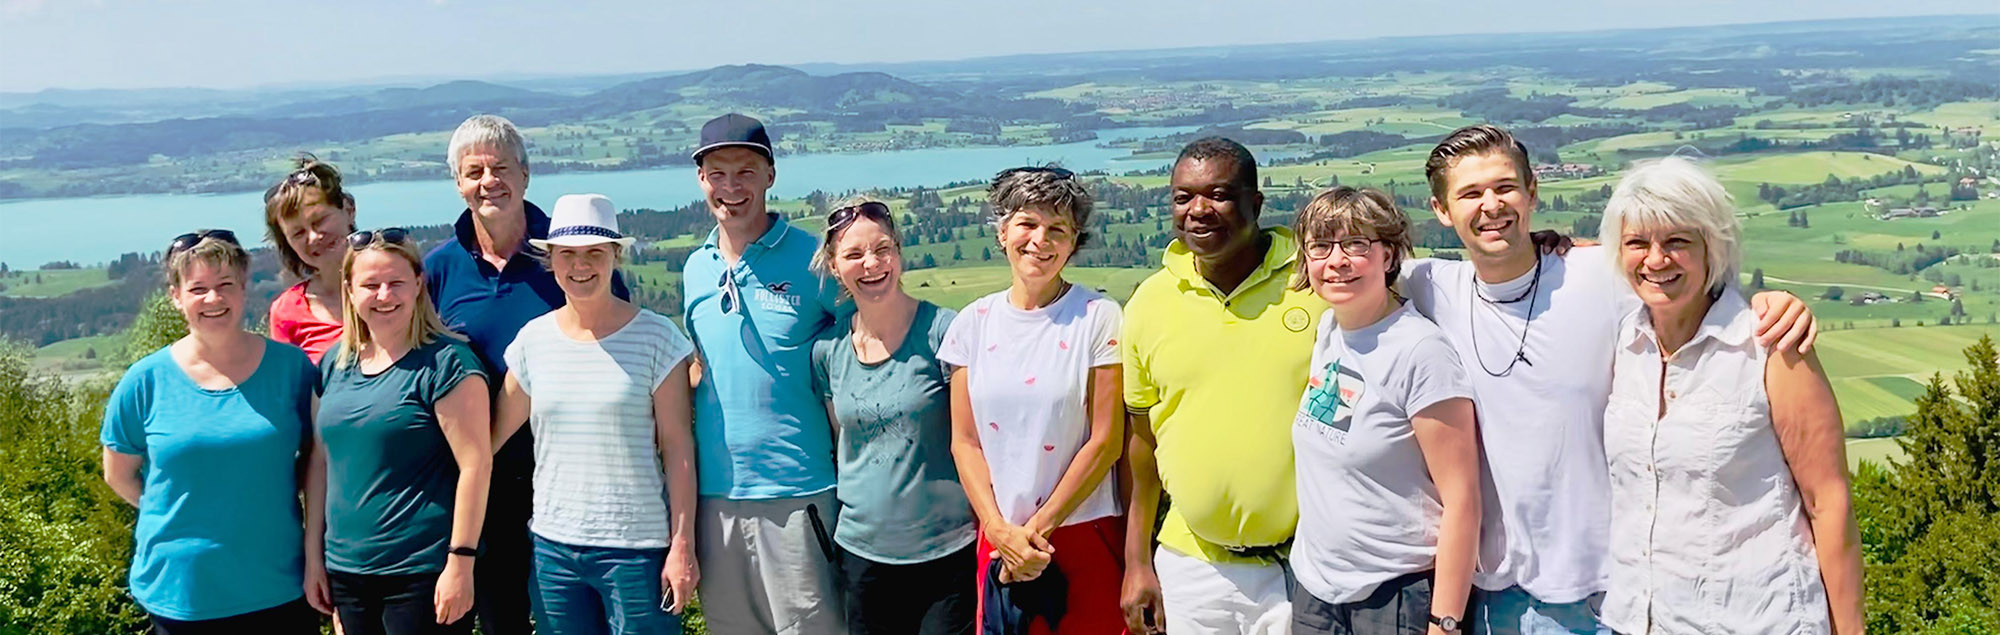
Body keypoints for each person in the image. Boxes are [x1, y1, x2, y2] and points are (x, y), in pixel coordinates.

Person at [1396, 125, 1820, 635]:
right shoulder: (1428, 286)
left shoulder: (1602, 273)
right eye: (1470, 193)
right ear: (1441, 211)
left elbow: (1690, 283)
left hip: (1612, 596)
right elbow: (1348, 273)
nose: (1492, 205)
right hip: (1493, 597)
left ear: (1533, 191)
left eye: (1505, 186)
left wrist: (1773, 306)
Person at [1595, 158, 1862, 634]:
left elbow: (1828, 499)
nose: (1655, 260)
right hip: (1635, 621)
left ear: (1711, 246)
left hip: (1756, 621)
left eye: (1676, 241)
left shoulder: (1772, 346)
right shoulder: (1623, 343)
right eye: (1638, 243)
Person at [423, 114, 629, 635]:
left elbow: (622, 346)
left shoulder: (569, 255)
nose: (488, 181)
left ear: (526, 173)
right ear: (458, 183)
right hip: (478, 484)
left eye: (501, 167)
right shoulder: (440, 270)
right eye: (474, 171)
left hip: (572, 477)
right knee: (502, 622)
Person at [1120, 137, 1325, 635]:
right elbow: (1143, 445)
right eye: (1183, 197)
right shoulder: (1149, 303)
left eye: (1218, 194)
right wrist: (1136, 562)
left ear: (1256, 202)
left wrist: (1541, 250)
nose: (1198, 210)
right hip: (1191, 568)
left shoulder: (1317, 282)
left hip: (1307, 567)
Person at [494, 194, 699, 635]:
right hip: (553, 550)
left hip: (637, 550)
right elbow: (486, 440)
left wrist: (682, 545)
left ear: (616, 256)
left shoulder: (658, 338)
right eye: (567, 254)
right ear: (551, 260)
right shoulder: (532, 342)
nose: (580, 266)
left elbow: (678, 447)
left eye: (594, 253)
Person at [100, 230, 321, 634]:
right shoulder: (144, 381)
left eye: (225, 286)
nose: (214, 299)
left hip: (278, 586)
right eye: (198, 289)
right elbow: (118, 474)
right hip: (181, 593)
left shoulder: (293, 371)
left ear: (244, 288)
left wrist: (315, 554)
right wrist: (177, 514)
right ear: (176, 297)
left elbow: (319, 463)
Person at [941, 166, 1129, 635]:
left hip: (1084, 533)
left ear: (1073, 241)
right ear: (1003, 231)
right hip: (1000, 537)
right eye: (1027, 224)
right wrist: (1001, 533)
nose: (1039, 241)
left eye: (1057, 229)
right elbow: (964, 443)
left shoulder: (1099, 318)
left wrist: (1035, 534)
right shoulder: (972, 323)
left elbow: (1106, 442)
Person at [1286, 188, 1481, 635]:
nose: (1336, 261)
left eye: (1356, 244)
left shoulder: (1420, 352)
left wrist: (1444, 623)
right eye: (1321, 246)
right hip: (1316, 590)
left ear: (1389, 256)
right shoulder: (1330, 328)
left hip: (1393, 599)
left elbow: (1463, 500)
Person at [680, 113, 846, 634]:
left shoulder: (815, 260)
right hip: (716, 497)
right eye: (718, 174)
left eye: (746, 172)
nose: (731, 188)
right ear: (701, 180)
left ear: (770, 176)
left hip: (802, 492)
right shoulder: (695, 267)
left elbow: (857, 360)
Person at [308, 228, 492, 635]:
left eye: (396, 283)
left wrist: (461, 561)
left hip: (421, 571)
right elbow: (321, 464)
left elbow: (476, 465)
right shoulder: (333, 366)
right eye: (370, 285)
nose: (384, 295)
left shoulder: (447, 364)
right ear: (350, 292)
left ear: (419, 285)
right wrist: (314, 560)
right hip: (347, 572)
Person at [809, 198, 978, 634]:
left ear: (899, 251)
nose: (872, 264)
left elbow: (973, 441)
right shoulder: (828, 353)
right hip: (861, 556)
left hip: (947, 552)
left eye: (882, 249)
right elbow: (841, 445)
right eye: (853, 255)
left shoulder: (944, 331)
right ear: (833, 266)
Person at [266, 156, 359, 363]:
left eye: (320, 221)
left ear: (349, 210)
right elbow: (290, 388)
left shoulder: (394, 282)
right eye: (298, 234)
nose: (314, 237)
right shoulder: (287, 312)